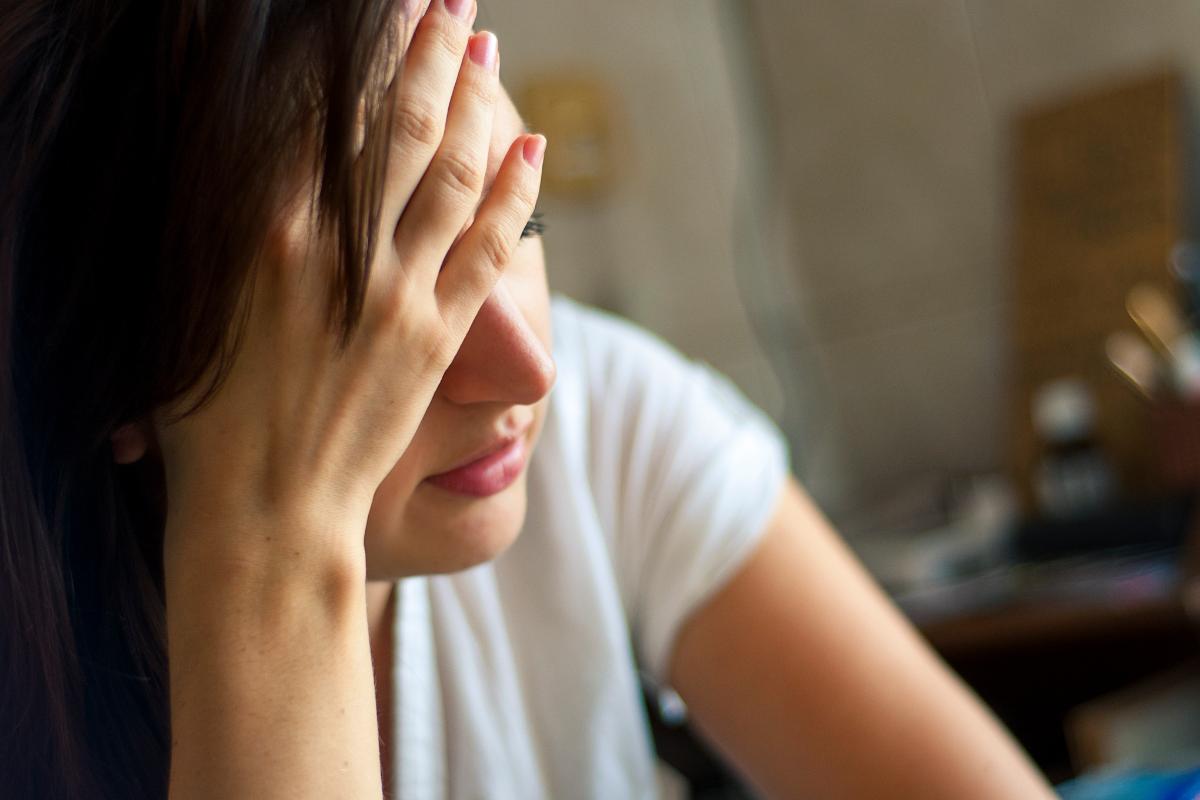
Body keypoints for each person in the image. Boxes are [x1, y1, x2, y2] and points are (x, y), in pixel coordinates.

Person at [0, 1, 1057, 797]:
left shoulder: (602, 413)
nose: (529, 369)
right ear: (120, 383)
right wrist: (273, 539)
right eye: (375, 304)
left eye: (519, 228)